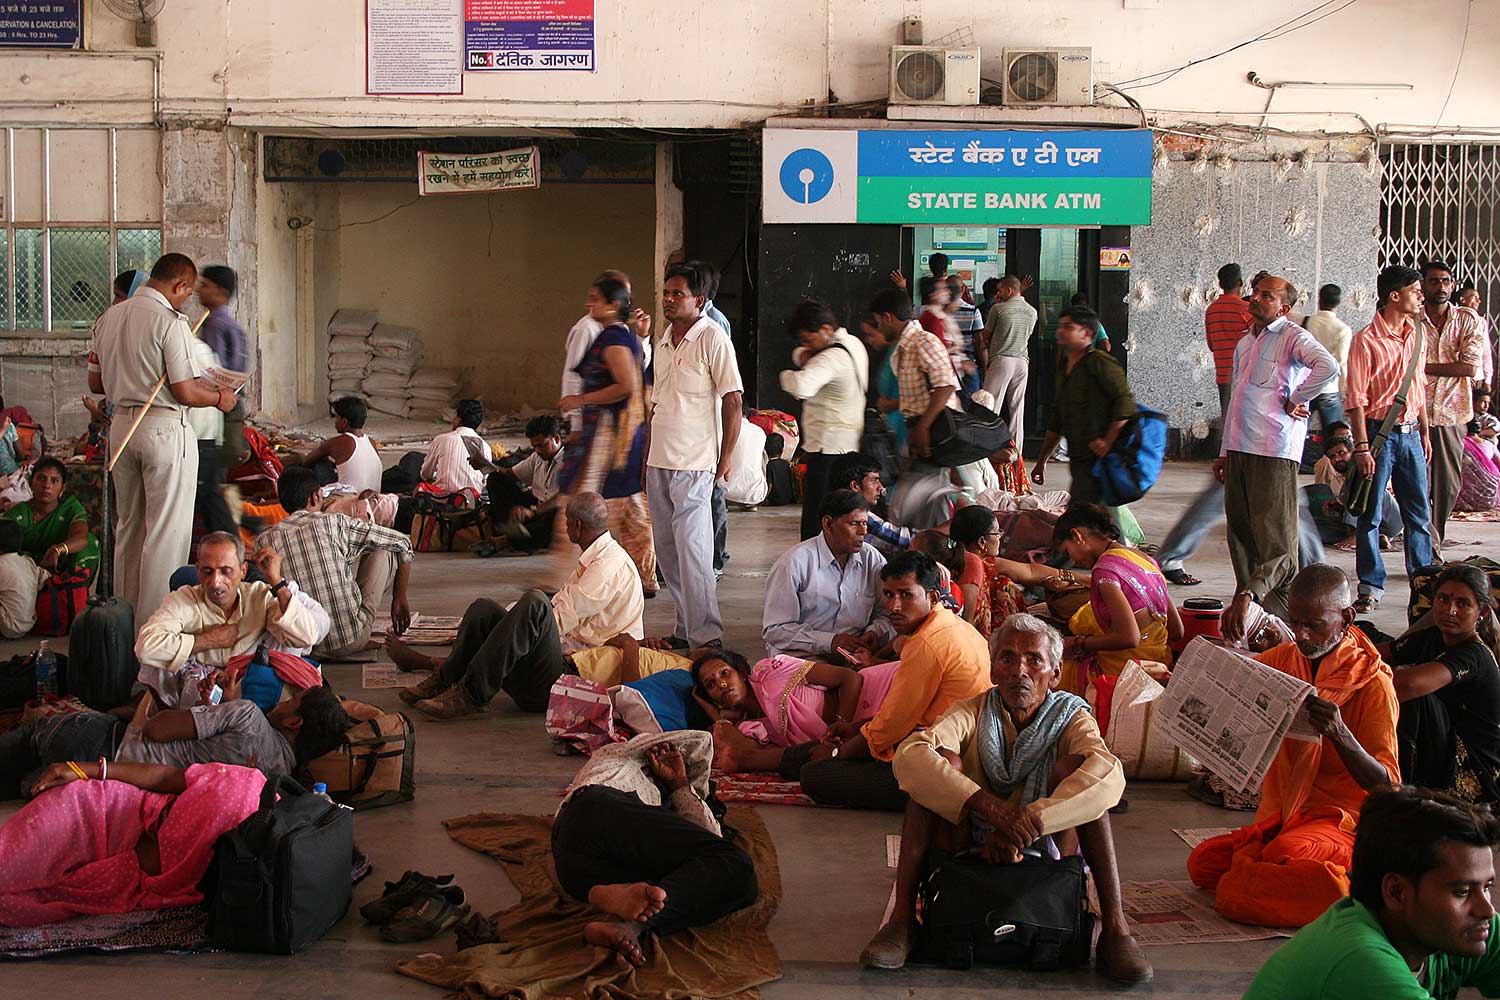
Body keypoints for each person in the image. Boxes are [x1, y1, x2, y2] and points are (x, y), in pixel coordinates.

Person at [863, 614, 1152, 984]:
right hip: (968, 844)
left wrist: (1027, 825)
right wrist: (994, 811)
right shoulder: (971, 711)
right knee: (936, 766)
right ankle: (902, 921)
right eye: (1008, 658)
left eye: (1034, 660)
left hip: (1047, 851)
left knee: (1082, 773)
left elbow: (1108, 775)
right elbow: (912, 756)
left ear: (1055, 673)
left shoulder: (1071, 717)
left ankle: (1115, 928)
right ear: (993, 669)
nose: (1020, 671)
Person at [1188, 564, 1400, 927]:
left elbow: (1387, 787)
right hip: (1286, 816)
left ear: (1347, 617)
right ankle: (1277, 871)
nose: (1301, 634)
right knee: (1204, 863)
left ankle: (1352, 888)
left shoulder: (1372, 684)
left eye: (1314, 625)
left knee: (1283, 855)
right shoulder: (1285, 659)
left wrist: (1339, 733)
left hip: (1343, 820)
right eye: (1295, 621)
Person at [764, 551, 991, 811]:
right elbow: (901, 715)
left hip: (946, 760)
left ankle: (750, 758)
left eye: (906, 595)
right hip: (938, 741)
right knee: (832, 744)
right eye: (888, 594)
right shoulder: (951, 627)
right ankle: (747, 757)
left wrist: (840, 754)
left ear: (932, 597)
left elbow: (893, 724)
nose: (894, 606)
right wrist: (856, 728)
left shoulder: (928, 643)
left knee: (815, 775)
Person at [393, 492, 644, 719]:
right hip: (565, 657)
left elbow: (557, 621)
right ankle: (446, 679)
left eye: (566, 521)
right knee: (484, 610)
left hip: (573, 675)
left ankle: (471, 694)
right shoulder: (597, 557)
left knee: (534, 604)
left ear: (576, 526)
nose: (565, 526)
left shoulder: (607, 568)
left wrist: (516, 624)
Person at [1243, 785, 1500, 999]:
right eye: (1462, 892)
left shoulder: (1462, 928)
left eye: (1487, 887)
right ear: (1397, 892)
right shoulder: (1361, 962)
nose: (1486, 909)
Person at [88, 252, 237, 618]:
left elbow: (95, 382)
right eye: (185, 294)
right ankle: (153, 629)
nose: (184, 300)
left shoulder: (109, 317)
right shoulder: (170, 323)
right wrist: (221, 398)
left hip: (122, 426)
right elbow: (186, 391)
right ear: (180, 285)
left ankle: (122, 624)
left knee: (129, 529)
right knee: (165, 535)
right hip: (164, 428)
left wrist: (128, 380)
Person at [551, 731, 757, 967]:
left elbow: (708, 841)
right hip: (594, 809)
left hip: (575, 870)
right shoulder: (617, 755)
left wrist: (678, 784)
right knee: (735, 863)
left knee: (742, 886)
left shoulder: (658, 811)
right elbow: (701, 739)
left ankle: (619, 916)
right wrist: (675, 760)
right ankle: (632, 920)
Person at [0, 761, 268, 927]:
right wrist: (85, 769)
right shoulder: (248, 784)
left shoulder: (252, 854)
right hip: (95, 809)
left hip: (111, 862)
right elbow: (166, 777)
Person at [1217, 274, 1339, 632]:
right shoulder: (1245, 342)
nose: (1255, 298)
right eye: (1255, 292)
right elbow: (1236, 403)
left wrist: (1297, 397)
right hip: (1240, 446)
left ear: (1284, 308)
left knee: (1276, 539)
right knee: (1240, 532)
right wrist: (1224, 450)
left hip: (1272, 449)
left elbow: (1328, 367)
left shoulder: (1292, 338)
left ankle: (1270, 610)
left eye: (1266, 295)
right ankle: (1251, 609)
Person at [0, 681, 354, 800]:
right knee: (24, 782)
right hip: (116, 785)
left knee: (34, 737)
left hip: (103, 743)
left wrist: (209, 709)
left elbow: (156, 729)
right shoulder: (275, 783)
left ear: (294, 721)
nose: (282, 701)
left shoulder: (248, 716)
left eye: (291, 701)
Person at [644, 263, 742, 649]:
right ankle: (686, 629)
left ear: (698, 300)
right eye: (666, 293)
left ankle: (707, 635)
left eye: (677, 294)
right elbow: (656, 406)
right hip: (659, 462)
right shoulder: (664, 339)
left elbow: (732, 401)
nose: (668, 300)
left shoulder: (712, 338)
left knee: (694, 552)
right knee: (668, 555)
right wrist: (645, 461)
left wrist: (726, 457)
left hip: (694, 464)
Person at [553, 275, 655, 593]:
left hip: (608, 435)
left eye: (595, 298)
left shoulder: (611, 336)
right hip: (624, 433)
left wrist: (578, 402)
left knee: (582, 502)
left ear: (613, 305)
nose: (589, 303)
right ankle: (643, 575)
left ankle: (566, 577)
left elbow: (626, 386)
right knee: (632, 505)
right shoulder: (624, 335)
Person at [134, 532, 322, 703]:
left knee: (287, 634)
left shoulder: (261, 596)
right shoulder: (183, 599)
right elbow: (145, 648)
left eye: (226, 571)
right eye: (208, 572)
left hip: (250, 688)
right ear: (198, 571)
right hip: (198, 690)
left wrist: (277, 582)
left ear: (243, 571)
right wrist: (207, 640)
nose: (216, 582)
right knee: (156, 661)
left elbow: (307, 636)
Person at [1346, 264, 1436, 613]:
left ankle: (1424, 578)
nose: (1421, 296)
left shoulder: (1417, 334)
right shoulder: (1365, 341)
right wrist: (1362, 446)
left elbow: (1419, 387)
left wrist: (1425, 431)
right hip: (1378, 436)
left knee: (1418, 512)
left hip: (1412, 434)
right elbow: (1355, 398)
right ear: (1394, 295)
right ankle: (1371, 584)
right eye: (1415, 290)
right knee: (1370, 515)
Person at [258, 466, 414, 659]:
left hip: (300, 644)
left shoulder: (263, 541)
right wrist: (400, 597)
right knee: (384, 549)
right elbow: (402, 541)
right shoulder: (333, 522)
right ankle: (358, 636)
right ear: (315, 497)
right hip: (348, 641)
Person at [1388, 564, 1500, 803]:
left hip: (1471, 768)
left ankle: (1403, 793)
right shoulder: (1433, 637)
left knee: (1416, 699)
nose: (1450, 610)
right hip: (1442, 747)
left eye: (1462, 604)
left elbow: (1405, 686)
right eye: (1443, 599)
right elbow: (1380, 655)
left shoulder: (1475, 655)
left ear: (1481, 612)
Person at [1052, 503, 1182, 697]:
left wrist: (1077, 643)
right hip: (1158, 662)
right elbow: (1177, 631)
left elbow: (1129, 638)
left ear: (1077, 536)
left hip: (1123, 671)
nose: (1072, 561)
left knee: (1050, 674)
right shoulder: (1146, 559)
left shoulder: (1105, 572)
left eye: (1067, 552)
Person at [696, 650, 902, 768]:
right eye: (710, 685)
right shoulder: (748, 724)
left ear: (741, 672)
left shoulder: (771, 671)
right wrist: (715, 715)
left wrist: (843, 725)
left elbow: (850, 678)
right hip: (868, 731)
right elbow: (742, 754)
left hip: (884, 688)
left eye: (724, 673)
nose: (721, 684)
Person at [762, 490, 894, 660]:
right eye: (854, 523)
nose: (863, 531)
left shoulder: (871, 559)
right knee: (841, 680)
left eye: (864, 523)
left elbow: (885, 611)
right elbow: (776, 629)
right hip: (803, 655)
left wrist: (874, 633)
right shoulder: (794, 564)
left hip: (854, 652)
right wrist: (830, 641)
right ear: (828, 523)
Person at [779, 299, 869, 540]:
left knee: (817, 519)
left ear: (826, 330)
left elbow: (801, 385)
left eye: (809, 340)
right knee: (841, 516)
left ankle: (813, 568)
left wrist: (786, 375)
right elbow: (806, 356)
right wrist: (805, 353)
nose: (805, 346)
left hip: (827, 450)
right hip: (849, 445)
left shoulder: (829, 358)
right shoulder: (852, 343)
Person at [1031, 306, 1137, 505]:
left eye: (1068, 327)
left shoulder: (1101, 363)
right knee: (1094, 516)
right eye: (1061, 326)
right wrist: (1041, 462)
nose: (1060, 331)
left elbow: (1125, 403)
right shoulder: (1065, 367)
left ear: (1087, 333)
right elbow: (1058, 418)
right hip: (1079, 457)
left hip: (1101, 459)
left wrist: (1107, 441)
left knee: (1088, 515)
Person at [1421, 260, 1488, 554]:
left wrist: (1423, 367)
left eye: (1446, 281)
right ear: (1422, 285)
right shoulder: (1412, 319)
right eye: (1434, 281)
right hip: (1416, 410)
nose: (1441, 286)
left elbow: (1469, 367)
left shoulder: (1467, 319)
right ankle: (1426, 542)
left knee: (1447, 483)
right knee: (1416, 480)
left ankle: (1436, 531)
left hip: (1452, 410)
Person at [866, 287, 960, 463]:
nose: (879, 329)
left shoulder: (923, 341)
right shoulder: (904, 348)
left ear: (887, 318)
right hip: (917, 433)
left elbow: (945, 386)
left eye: (878, 323)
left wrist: (923, 427)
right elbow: (917, 395)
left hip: (937, 435)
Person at [559, 269, 650, 431]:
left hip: (613, 423)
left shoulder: (619, 332)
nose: (627, 301)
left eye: (627, 295)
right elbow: (572, 375)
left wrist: (642, 338)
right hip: (598, 420)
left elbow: (632, 377)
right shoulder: (587, 329)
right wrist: (576, 423)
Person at [0, 457, 99, 579]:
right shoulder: (18, 513)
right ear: (31, 483)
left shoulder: (70, 508)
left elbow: (82, 537)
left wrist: (57, 550)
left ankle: (75, 592)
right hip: (24, 574)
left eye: (54, 481)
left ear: (62, 488)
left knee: (90, 543)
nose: (47, 485)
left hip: (61, 570)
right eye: (41, 478)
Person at [485, 414, 565, 556]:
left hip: (552, 511)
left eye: (541, 445)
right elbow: (510, 473)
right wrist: (486, 466)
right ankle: (511, 530)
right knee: (495, 479)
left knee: (557, 516)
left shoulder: (569, 460)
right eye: (534, 446)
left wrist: (533, 510)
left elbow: (565, 497)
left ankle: (507, 540)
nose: (538, 450)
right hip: (536, 508)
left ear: (557, 439)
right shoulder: (537, 457)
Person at [1309, 429, 1403, 545]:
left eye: (1341, 453)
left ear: (1352, 452)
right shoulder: (1347, 476)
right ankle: (1375, 538)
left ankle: (1358, 536)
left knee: (1358, 488)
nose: (1337, 459)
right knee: (1311, 527)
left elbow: (1359, 500)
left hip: (1388, 523)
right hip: (1366, 523)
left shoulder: (1362, 469)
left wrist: (1343, 502)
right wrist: (1337, 505)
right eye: (1332, 456)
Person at [196, 264, 249, 466]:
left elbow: (220, 369)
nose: (198, 290)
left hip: (222, 404)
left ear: (221, 292)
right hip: (219, 402)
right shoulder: (214, 322)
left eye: (205, 285)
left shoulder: (217, 325)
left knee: (213, 466)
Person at [948, 504, 1025, 638]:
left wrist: (1070, 576)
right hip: (968, 640)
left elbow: (1030, 571)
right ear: (982, 542)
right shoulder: (972, 563)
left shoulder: (977, 559)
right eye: (996, 532)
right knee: (1004, 586)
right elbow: (966, 621)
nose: (1000, 536)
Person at [978, 276, 1037, 447]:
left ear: (1009, 291)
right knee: (1017, 409)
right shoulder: (1032, 311)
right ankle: (1016, 451)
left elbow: (985, 336)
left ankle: (986, 449)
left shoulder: (998, 309)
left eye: (1000, 290)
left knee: (990, 405)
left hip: (1001, 361)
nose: (998, 293)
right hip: (1022, 362)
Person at [296, 395, 383, 493]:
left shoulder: (339, 442)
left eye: (337, 418)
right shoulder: (371, 442)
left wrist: (297, 457)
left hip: (348, 502)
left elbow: (307, 461)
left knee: (319, 462)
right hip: (373, 501)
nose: (335, 422)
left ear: (344, 422)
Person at [1205, 262, 1252, 420]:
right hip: (1245, 376)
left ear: (1219, 284)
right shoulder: (1246, 309)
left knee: (1229, 424)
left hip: (1223, 376)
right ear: (1240, 283)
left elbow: (1211, 346)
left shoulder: (1211, 310)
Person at [1304, 283, 1352, 432]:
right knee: (1333, 435)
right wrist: (1343, 389)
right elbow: (1342, 362)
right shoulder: (1342, 329)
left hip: (1307, 386)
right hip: (1329, 388)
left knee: (1299, 432)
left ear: (1319, 300)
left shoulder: (1307, 322)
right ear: (1338, 302)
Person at [421, 398, 488, 495]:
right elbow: (484, 481)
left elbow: (425, 474)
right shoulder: (485, 447)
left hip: (442, 498)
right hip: (471, 501)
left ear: (458, 420)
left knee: (414, 460)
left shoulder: (441, 439)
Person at [0, 521, 46, 638]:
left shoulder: (1, 564)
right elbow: (45, 578)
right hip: (29, 624)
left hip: (7, 626)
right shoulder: (27, 561)